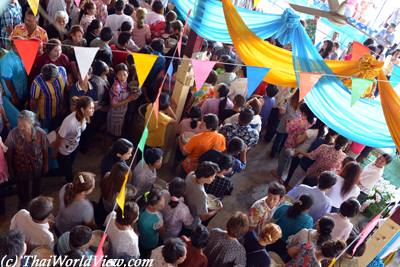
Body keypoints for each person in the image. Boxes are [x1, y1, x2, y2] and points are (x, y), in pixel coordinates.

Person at [5, 110, 48, 208]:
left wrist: (46, 164)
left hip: (37, 165)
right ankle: (23, 201)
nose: (21, 128)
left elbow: (45, 149)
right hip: (20, 166)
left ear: (32, 123)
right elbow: (9, 152)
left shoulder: (41, 133)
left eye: (24, 125)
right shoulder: (13, 133)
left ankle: (35, 201)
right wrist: (10, 168)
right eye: (19, 124)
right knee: (22, 185)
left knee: (37, 182)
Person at [54, 96, 95, 182]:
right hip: (64, 151)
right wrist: (55, 152)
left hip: (74, 146)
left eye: (93, 107)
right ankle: (70, 183)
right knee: (66, 170)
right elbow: (59, 137)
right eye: (90, 108)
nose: (93, 110)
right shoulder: (69, 122)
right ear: (83, 110)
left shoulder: (84, 116)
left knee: (70, 165)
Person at [267, 194, 313, 260]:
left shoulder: (284, 207)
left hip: (271, 237)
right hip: (284, 247)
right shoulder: (308, 221)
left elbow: (271, 220)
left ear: (298, 200)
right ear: (308, 209)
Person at [30, 63, 67, 130]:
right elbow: (33, 101)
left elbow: (64, 88)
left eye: (51, 80)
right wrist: (34, 116)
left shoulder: (62, 70)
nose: (50, 82)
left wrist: (63, 103)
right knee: (46, 129)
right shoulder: (37, 82)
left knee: (56, 127)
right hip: (46, 114)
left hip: (59, 108)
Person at [107, 63, 137, 137]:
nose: (122, 77)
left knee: (118, 127)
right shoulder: (116, 87)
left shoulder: (125, 82)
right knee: (113, 131)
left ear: (128, 74)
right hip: (115, 113)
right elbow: (113, 104)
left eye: (124, 74)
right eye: (120, 74)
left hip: (122, 111)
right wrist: (129, 99)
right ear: (116, 75)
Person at [138, 188, 165, 258]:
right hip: (151, 242)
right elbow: (161, 231)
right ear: (151, 206)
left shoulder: (140, 207)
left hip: (141, 238)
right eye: (160, 205)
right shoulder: (158, 219)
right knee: (148, 253)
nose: (163, 205)